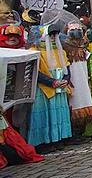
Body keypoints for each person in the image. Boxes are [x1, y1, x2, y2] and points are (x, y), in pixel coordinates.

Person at [27, 12, 74, 150]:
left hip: (59, 86)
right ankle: (44, 141)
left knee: (58, 114)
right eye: (51, 35)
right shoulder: (34, 51)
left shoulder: (60, 50)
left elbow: (66, 68)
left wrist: (66, 80)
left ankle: (58, 138)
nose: (53, 38)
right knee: (45, 115)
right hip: (44, 88)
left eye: (55, 35)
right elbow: (35, 71)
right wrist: (52, 82)